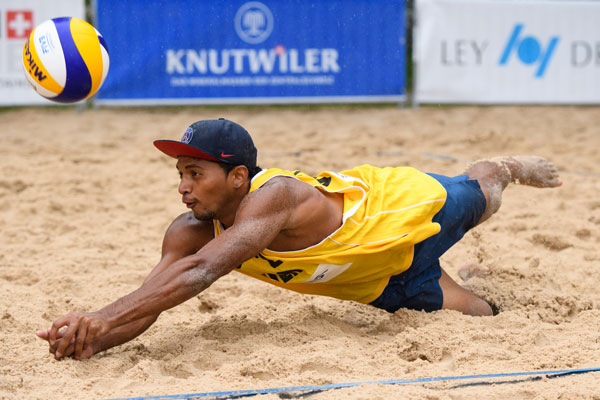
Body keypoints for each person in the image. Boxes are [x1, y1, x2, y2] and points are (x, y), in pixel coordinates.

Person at [36, 118, 562, 360]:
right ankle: (465, 275)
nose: (183, 187)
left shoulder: (273, 195)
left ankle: (504, 164)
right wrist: (93, 337)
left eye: (196, 173)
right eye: (181, 174)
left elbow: (201, 273)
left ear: (238, 177)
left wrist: (104, 314)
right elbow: (154, 299)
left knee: (486, 196)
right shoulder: (188, 232)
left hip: (402, 211)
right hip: (381, 280)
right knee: (485, 315)